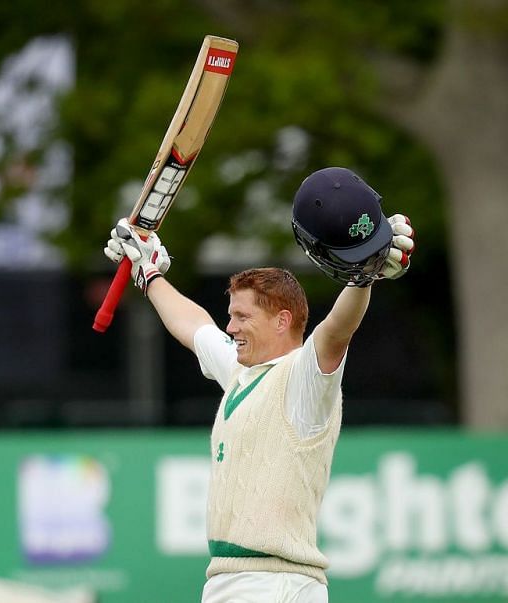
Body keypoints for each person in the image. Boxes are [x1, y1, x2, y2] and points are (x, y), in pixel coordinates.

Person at [103, 167, 415, 603]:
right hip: (237, 581)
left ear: (282, 320)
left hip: (274, 582)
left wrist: (365, 274)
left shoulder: (304, 378)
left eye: (242, 318)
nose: (231, 328)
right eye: (231, 317)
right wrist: (149, 273)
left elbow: (336, 331)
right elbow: (195, 327)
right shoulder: (241, 372)